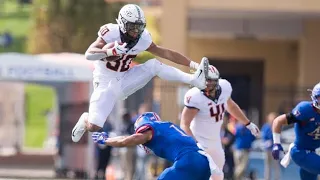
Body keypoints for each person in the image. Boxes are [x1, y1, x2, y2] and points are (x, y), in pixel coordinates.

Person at [71, 4, 209, 142]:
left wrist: (193, 65)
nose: (136, 31)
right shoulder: (110, 33)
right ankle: (85, 119)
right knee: (94, 126)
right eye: (132, 26)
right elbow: (89, 54)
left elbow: (166, 53)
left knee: (153, 65)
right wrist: (110, 52)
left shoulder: (143, 38)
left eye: (139, 26)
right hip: (104, 82)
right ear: (122, 24)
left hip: (125, 78)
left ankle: (193, 79)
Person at [180, 65, 260, 180]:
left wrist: (247, 123)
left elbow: (231, 106)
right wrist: (195, 144)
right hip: (199, 142)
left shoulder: (224, 87)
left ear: (216, 80)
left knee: (218, 176)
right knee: (197, 175)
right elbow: (184, 124)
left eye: (209, 80)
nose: (206, 84)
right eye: (203, 80)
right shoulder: (195, 96)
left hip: (215, 142)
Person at [92, 112, 222, 180]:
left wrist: (106, 140)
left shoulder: (149, 129)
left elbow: (125, 141)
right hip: (204, 163)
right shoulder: (168, 126)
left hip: (188, 161)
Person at [272, 82, 320, 180]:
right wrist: (276, 143)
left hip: (312, 152)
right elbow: (278, 120)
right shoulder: (305, 109)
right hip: (300, 151)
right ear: (315, 97)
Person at [261, 112, 280, 180]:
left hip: (275, 149)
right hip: (267, 150)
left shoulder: (277, 126)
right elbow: (264, 137)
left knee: (276, 166)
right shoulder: (266, 127)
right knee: (267, 166)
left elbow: (278, 137)